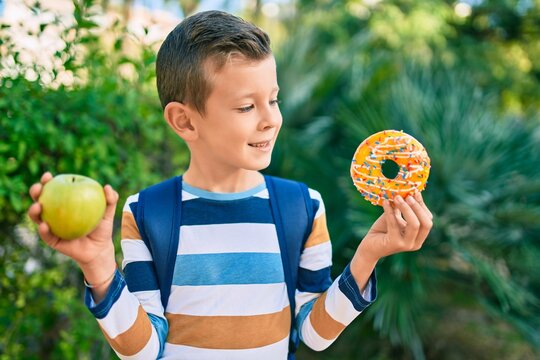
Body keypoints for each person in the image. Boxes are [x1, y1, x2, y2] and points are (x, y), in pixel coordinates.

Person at [27, 10, 433, 360]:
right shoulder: (148, 212)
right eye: (246, 106)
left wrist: (368, 257)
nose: (270, 119)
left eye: (273, 100)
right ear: (185, 121)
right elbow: (143, 350)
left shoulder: (302, 207)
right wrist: (98, 268)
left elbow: (314, 333)